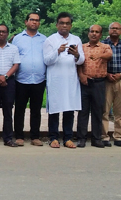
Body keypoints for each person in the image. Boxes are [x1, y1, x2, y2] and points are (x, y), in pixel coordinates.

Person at [43, 12, 85, 148]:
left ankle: (68, 138)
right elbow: (46, 60)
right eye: (62, 23)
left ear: (71, 25)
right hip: (55, 80)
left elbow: (81, 61)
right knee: (55, 109)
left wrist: (77, 54)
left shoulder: (76, 39)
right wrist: (58, 51)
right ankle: (53, 138)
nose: (64, 26)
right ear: (57, 25)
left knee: (69, 109)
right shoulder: (50, 40)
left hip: (71, 80)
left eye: (67, 23)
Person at [11, 12, 47, 146]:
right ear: (26, 21)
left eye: (37, 20)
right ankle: (19, 136)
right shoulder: (18, 39)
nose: (34, 22)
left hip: (39, 79)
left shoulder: (44, 39)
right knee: (19, 109)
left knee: (36, 110)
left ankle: (35, 137)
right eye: (32, 20)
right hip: (21, 79)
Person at [76, 24, 112, 148]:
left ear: (101, 35)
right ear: (88, 33)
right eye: (92, 31)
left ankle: (96, 138)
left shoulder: (105, 47)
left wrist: (99, 56)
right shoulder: (82, 47)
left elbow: (109, 56)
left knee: (98, 111)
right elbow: (79, 62)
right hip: (85, 83)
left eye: (97, 32)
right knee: (83, 111)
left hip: (99, 83)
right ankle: (81, 138)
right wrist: (81, 75)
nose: (94, 33)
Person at [101, 22, 121, 147]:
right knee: (105, 109)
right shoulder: (103, 45)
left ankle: (118, 136)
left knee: (120, 111)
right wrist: (107, 74)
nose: (114, 30)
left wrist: (120, 74)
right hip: (106, 80)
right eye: (112, 28)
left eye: (117, 28)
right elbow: (99, 62)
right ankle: (104, 136)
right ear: (108, 30)